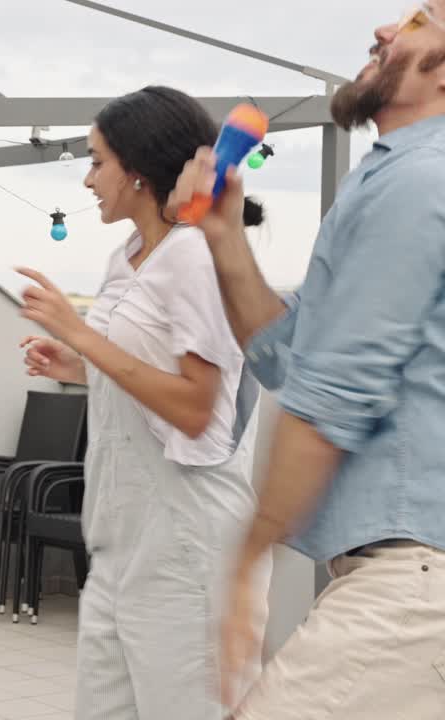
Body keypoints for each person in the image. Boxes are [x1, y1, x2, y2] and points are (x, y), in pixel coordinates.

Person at [166, 5, 445, 718]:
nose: (384, 31)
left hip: (415, 584)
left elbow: (333, 393)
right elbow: (290, 358)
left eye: (419, 19)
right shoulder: (384, 181)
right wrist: (225, 234)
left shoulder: (423, 181)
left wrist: (246, 560)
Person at [18, 86, 271, 719]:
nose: (87, 178)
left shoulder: (195, 257)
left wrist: (78, 334)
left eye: (97, 160)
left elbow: (195, 407)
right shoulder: (127, 256)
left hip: (188, 540)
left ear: (136, 170)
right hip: (119, 538)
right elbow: (140, 368)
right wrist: (78, 366)